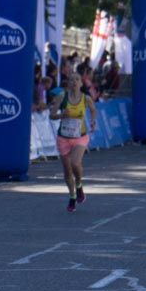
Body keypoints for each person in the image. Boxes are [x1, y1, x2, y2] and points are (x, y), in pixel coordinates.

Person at [49, 72, 97, 212]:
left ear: (81, 83)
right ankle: (72, 196)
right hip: (63, 137)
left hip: (80, 137)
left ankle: (79, 185)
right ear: (68, 83)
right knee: (67, 172)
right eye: (71, 80)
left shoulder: (86, 98)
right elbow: (51, 115)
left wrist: (93, 121)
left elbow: (93, 110)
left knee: (76, 163)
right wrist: (61, 115)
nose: (74, 82)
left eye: (77, 79)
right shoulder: (62, 97)